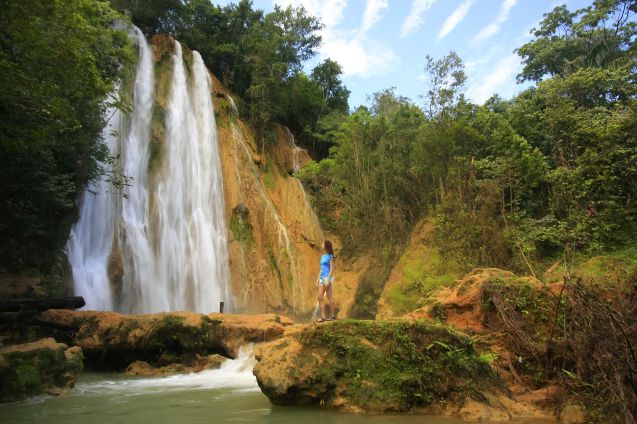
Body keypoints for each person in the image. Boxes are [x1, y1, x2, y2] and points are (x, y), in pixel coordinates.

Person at [316, 240, 335, 322]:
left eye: (322, 243)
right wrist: (317, 278)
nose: (321, 244)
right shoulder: (323, 256)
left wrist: (328, 279)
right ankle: (323, 316)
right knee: (319, 297)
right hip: (321, 278)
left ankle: (332, 316)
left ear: (326, 245)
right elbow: (322, 269)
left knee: (329, 296)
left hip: (327, 277)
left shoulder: (330, 256)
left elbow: (331, 268)